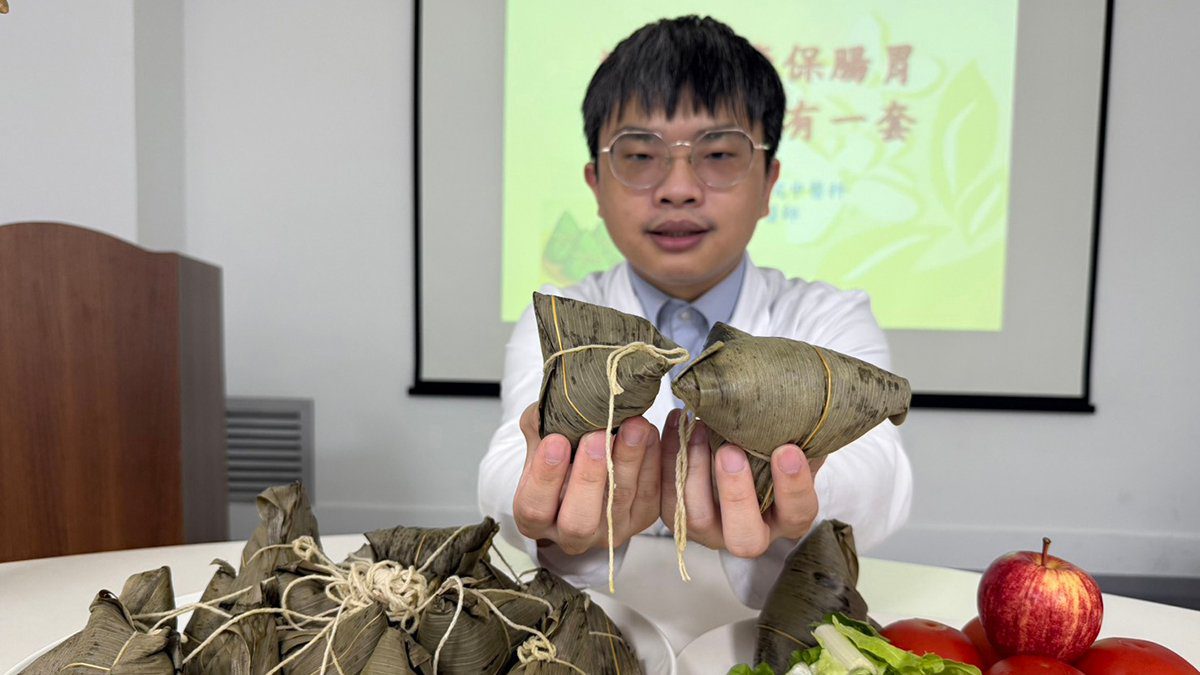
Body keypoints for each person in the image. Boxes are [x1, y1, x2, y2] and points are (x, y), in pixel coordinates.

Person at [478, 15, 911, 608]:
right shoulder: (559, 320)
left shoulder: (829, 317)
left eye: (719, 153)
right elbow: (506, 462)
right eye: (637, 155)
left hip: (766, 626)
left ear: (768, 183)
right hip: (610, 624)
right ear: (596, 185)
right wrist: (545, 493)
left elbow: (882, 477)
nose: (678, 187)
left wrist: (783, 484)